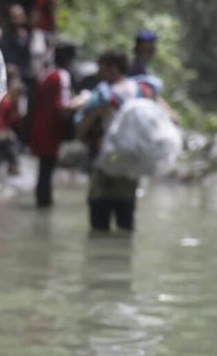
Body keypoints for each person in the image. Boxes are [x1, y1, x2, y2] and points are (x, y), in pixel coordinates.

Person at [76, 50, 156, 232]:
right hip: (131, 166)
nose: (98, 73)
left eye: (101, 68)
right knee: (126, 225)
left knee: (99, 226)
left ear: (113, 69)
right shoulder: (141, 91)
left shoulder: (103, 95)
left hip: (104, 165)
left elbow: (80, 133)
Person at [29, 41, 77, 207]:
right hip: (51, 130)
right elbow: (62, 106)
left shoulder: (46, 74)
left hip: (38, 126)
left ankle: (42, 202)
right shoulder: (62, 76)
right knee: (47, 169)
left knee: (44, 169)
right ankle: (44, 204)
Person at [0, 65, 24, 176]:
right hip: (1, 128)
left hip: (6, 128)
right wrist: (1, 130)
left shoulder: (13, 101)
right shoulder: (6, 102)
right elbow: (0, 117)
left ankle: (10, 166)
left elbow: (15, 119)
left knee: (9, 146)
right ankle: (0, 165)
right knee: (5, 147)